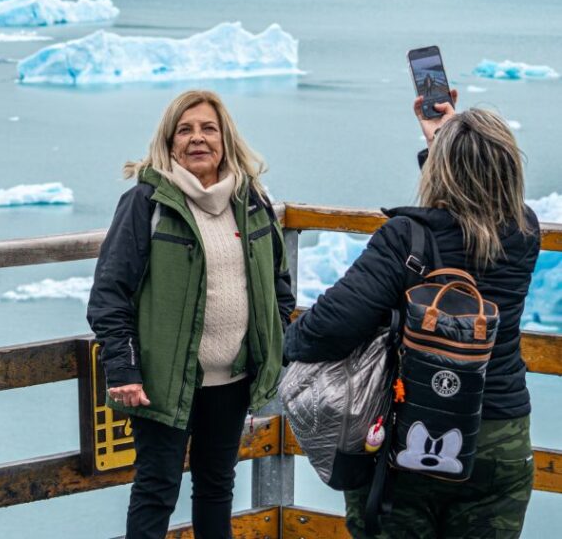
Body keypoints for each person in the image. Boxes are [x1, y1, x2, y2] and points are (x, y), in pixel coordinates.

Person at [284, 92, 540, 538]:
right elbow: (464, 220)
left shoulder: (406, 238)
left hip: (413, 440)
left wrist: (283, 345)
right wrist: (446, 140)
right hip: (501, 437)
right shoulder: (523, 232)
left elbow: (330, 329)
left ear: (442, 170)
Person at [87, 89, 295, 539]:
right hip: (163, 382)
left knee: (217, 486)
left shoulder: (251, 200)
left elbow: (279, 283)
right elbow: (110, 294)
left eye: (207, 129)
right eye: (185, 130)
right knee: (156, 488)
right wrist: (124, 369)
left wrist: (268, 349)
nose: (197, 139)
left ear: (225, 139)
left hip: (232, 380)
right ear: (169, 143)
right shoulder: (147, 202)